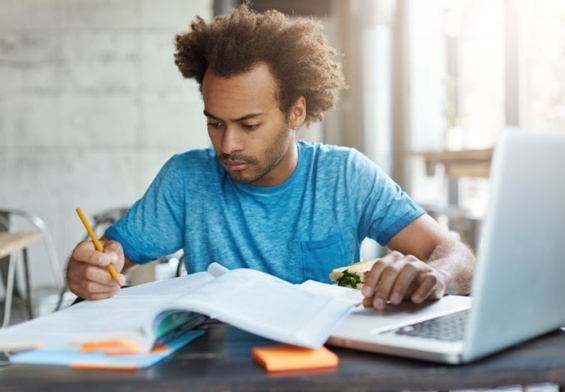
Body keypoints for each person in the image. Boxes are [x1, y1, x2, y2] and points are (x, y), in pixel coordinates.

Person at [66, 3, 475, 310]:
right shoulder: (186, 178)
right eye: (215, 123)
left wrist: (435, 274)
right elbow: (111, 253)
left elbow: (457, 256)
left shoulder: (345, 175)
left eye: (249, 125)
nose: (227, 145)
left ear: (295, 112)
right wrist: (90, 269)